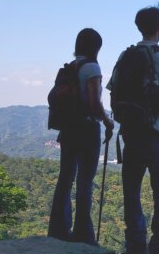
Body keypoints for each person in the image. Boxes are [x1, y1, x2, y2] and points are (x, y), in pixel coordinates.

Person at [107, 6, 159, 254]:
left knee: (132, 189)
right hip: (157, 134)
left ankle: (135, 244)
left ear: (139, 27)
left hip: (131, 134)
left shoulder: (124, 56)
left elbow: (113, 93)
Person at [48, 28, 114, 246]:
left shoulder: (71, 66)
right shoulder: (92, 67)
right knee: (85, 181)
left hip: (68, 129)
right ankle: (83, 234)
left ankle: (58, 230)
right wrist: (107, 121)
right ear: (96, 47)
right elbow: (95, 103)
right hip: (87, 130)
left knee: (65, 178)